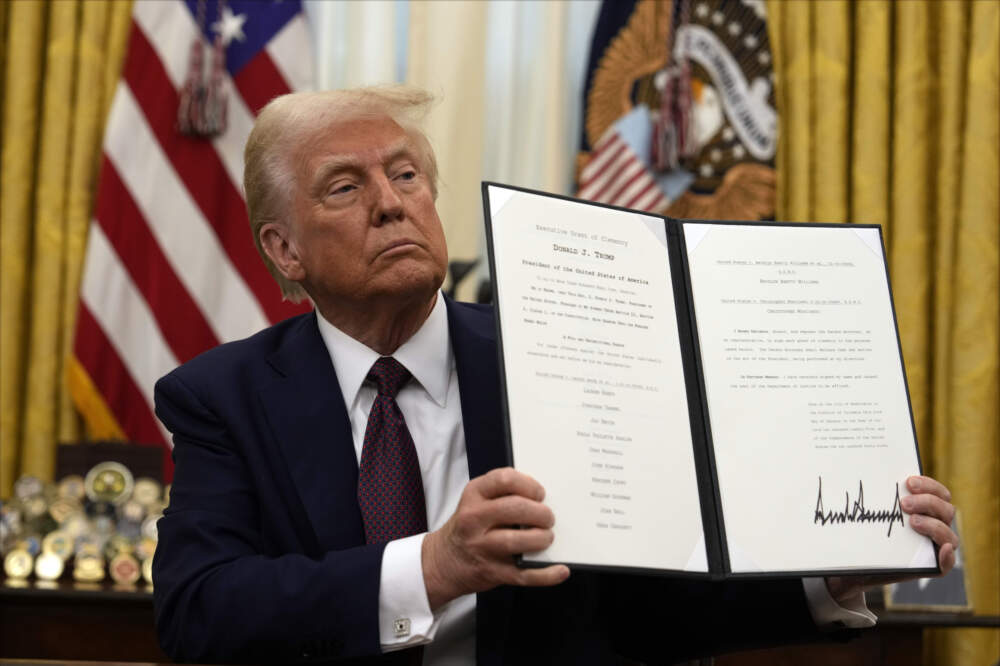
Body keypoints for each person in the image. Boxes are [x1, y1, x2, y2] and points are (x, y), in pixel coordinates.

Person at [152, 86, 959, 665]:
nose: (391, 204)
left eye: (405, 176)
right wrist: (430, 569)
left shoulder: (565, 349)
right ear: (284, 250)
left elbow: (652, 602)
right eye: (344, 187)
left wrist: (830, 574)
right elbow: (198, 613)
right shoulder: (222, 397)